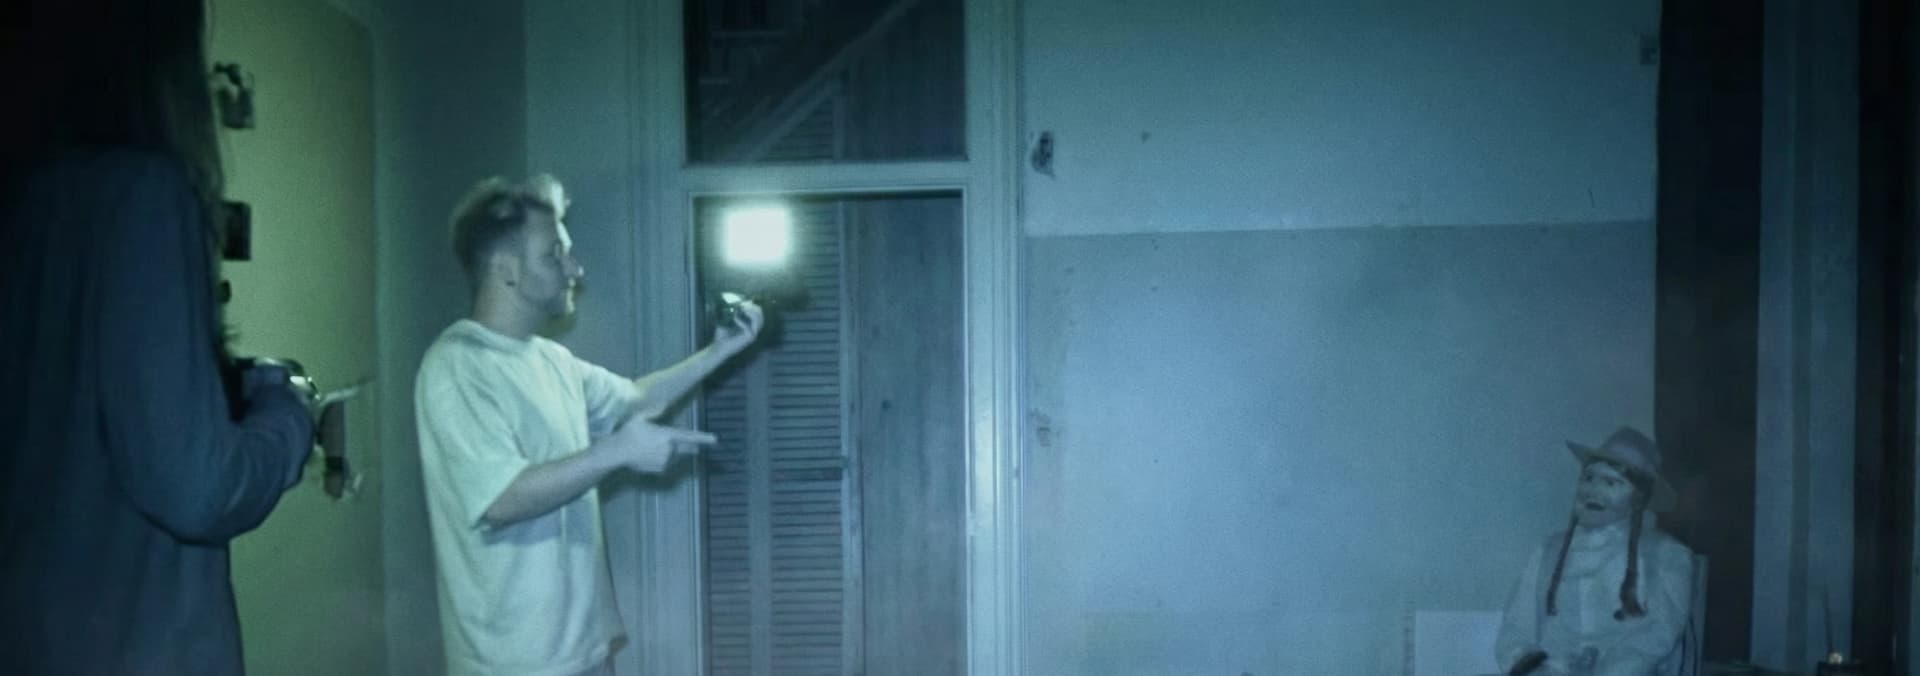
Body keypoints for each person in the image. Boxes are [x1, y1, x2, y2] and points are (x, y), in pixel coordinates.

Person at [0, 1, 319, 674]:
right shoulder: (140, 192)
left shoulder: (31, 201)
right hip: (138, 646)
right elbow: (198, 489)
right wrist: (290, 412)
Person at [415, 175, 764, 676]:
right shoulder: (457, 366)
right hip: (515, 664)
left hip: (585, 650)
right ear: (506, 269)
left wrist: (722, 349)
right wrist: (617, 451)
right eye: (554, 254)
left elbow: (636, 398)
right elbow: (500, 499)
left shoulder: (552, 361)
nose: (575, 268)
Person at [1495, 426, 1697, 676]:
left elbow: (1657, 636)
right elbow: (1517, 626)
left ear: (1638, 497)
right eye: (1589, 478)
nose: (1593, 491)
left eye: (1611, 482)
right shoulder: (1549, 551)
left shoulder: (1666, 555)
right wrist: (1538, 669)